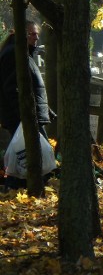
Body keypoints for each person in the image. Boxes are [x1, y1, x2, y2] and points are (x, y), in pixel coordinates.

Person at [0, 21, 55, 189]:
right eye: (32, 34)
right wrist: (25, 114)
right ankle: (18, 187)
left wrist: (46, 110)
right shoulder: (14, 55)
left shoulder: (24, 54)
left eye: (37, 34)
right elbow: (11, 89)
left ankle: (21, 186)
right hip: (23, 116)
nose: (36, 37)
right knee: (29, 155)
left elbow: (32, 88)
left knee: (26, 155)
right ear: (20, 35)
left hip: (29, 114)